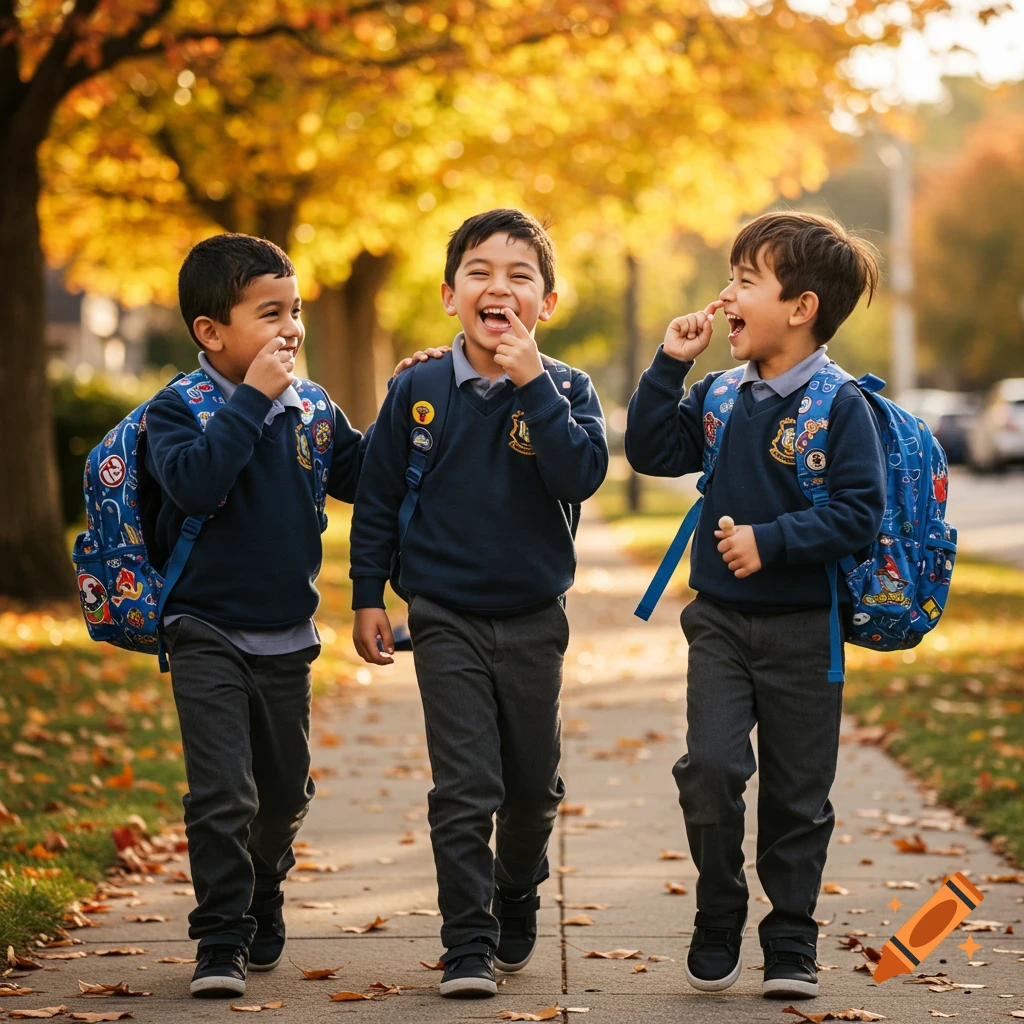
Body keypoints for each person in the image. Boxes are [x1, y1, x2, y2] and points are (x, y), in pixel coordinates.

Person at [144, 233, 442, 998]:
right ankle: (219, 938)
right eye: (268, 312)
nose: (291, 328)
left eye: (297, 310)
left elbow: (364, 474)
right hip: (202, 627)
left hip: (286, 636)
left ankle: (264, 886)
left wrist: (406, 405)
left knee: (279, 797)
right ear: (212, 332)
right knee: (223, 795)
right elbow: (197, 487)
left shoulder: (310, 407)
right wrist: (252, 402)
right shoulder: (176, 411)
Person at [625, 212, 886, 1001]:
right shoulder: (720, 396)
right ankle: (719, 907)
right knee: (709, 767)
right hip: (721, 624)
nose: (725, 295)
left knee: (798, 796)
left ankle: (792, 940)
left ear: (800, 307)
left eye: (745, 280)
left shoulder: (841, 407)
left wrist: (772, 540)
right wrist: (669, 367)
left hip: (808, 629)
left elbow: (858, 512)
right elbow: (651, 451)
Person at [349, 208, 609, 998]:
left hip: (534, 616)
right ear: (449, 295)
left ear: (547, 303)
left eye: (520, 275)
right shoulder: (419, 389)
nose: (499, 287)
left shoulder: (567, 389)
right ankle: (467, 942)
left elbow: (578, 476)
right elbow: (378, 498)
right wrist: (368, 596)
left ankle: (517, 890)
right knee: (465, 787)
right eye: (481, 273)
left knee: (533, 788)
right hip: (444, 614)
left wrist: (532, 383)